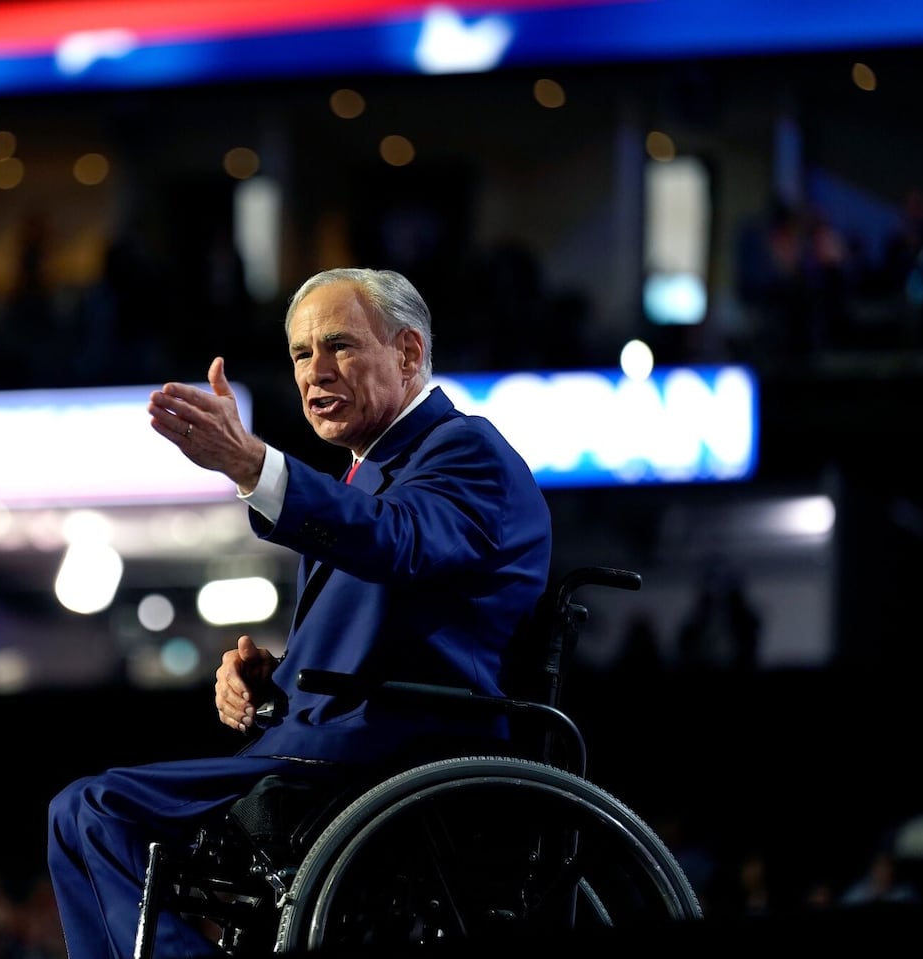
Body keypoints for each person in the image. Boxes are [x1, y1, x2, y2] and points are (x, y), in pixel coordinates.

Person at [46, 266, 553, 958]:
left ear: (407, 353)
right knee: (85, 814)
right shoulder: (367, 474)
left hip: (392, 753)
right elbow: (394, 606)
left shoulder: (465, 451)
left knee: (93, 809)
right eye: (300, 354)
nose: (316, 372)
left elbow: (397, 541)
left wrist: (256, 466)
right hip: (337, 741)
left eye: (339, 345)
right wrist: (269, 682)